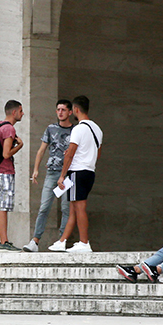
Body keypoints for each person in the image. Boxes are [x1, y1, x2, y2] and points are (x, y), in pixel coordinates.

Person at [49, 95, 102, 253]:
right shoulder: (97, 129)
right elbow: (97, 153)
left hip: (77, 171)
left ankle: (84, 242)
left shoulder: (78, 128)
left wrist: (62, 176)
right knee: (73, 208)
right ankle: (62, 241)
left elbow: (70, 154)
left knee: (79, 207)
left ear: (76, 109)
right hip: (89, 171)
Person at [23, 99, 73, 252]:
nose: (60, 112)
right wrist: (36, 169)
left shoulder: (75, 130)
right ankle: (35, 241)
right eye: (58, 109)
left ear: (70, 112)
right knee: (44, 207)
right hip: (52, 172)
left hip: (68, 174)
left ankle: (62, 240)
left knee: (66, 208)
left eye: (63, 110)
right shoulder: (51, 129)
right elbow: (41, 150)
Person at [0, 100, 25, 252]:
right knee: (2, 207)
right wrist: (20, 146)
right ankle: (4, 242)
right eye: (21, 111)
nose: (22, 113)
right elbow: (6, 153)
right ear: (14, 112)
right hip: (4, 172)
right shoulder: (9, 129)